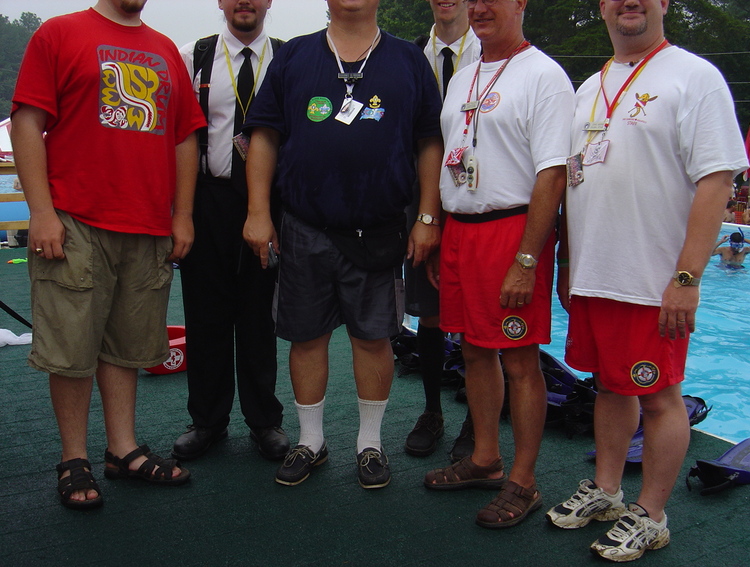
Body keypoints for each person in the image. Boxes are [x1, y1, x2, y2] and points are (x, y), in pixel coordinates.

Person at [547, 0, 749, 562]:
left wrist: (687, 277)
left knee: (659, 397)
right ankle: (607, 491)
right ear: (602, 7)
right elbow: (575, 182)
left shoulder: (694, 77)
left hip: (653, 280)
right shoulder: (589, 88)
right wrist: (568, 263)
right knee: (609, 387)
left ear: (664, 4)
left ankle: (652, 515)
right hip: (595, 276)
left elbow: (716, 181)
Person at [10, 0, 206, 510]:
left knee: (126, 345)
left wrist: (183, 214)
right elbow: (26, 121)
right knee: (72, 344)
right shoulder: (59, 34)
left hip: (146, 224)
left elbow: (185, 136)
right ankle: (73, 457)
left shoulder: (165, 50)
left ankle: (123, 449)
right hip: (75, 219)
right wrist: (41, 212)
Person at [242, 0, 443, 489]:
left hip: (378, 229)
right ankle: (311, 441)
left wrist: (427, 216)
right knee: (306, 336)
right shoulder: (294, 57)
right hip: (304, 225)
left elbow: (429, 141)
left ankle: (369, 444)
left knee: (373, 338)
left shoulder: (408, 60)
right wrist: (258, 211)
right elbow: (264, 136)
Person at [423, 0, 574, 530]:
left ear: (520, 3)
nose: (480, 8)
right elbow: (453, 157)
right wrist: (442, 232)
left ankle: (524, 481)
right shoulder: (464, 75)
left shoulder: (544, 77)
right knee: (473, 348)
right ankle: (485, 458)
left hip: (511, 231)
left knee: (519, 358)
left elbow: (552, 174)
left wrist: (527, 259)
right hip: (461, 230)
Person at [172, 0, 290, 463]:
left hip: (270, 204)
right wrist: (180, 212)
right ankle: (207, 420)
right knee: (206, 317)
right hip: (208, 198)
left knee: (260, 317)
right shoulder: (192, 56)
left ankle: (265, 421)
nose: (245, 2)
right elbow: (178, 134)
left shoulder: (289, 57)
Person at [403, 0, 482, 461]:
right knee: (428, 313)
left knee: (476, 319)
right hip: (421, 200)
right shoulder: (410, 56)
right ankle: (432, 410)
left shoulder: (493, 55)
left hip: (478, 197)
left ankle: (477, 418)